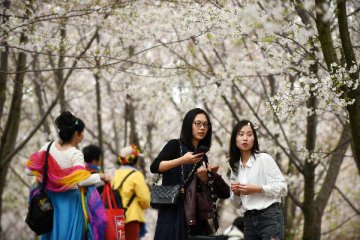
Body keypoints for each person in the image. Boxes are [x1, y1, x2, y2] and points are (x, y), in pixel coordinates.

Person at [26, 111, 111, 240]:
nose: (83, 136)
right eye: (82, 133)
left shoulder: (47, 147)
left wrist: (50, 177)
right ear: (77, 134)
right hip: (70, 203)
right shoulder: (75, 154)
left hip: (49, 202)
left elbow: (30, 170)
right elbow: (81, 181)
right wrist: (101, 176)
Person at [150, 108, 230, 240]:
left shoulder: (202, 157)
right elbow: (155, 167)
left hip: (192, 213)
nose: (202, 128)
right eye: (197, 124)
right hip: (172, 211)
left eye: (205, 124)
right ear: (188, 125)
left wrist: (204, 178)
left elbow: (199, 189)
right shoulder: (175, 145)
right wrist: (183, 160)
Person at [229, 120, 287, 240]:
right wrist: (236, 193)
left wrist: (259, 189)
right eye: (241, 134)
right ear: (235, 138)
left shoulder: (264, 159)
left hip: (270, 217)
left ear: (254, 139)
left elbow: (283, 187)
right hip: (248, 220)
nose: (245, 138)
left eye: (249, 135)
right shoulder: (235, 166)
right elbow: (236, 204)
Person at [111, 144, 150, 240]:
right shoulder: (136, 175)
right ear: (134, 159)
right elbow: (145, 200)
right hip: (131, 218)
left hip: (116, 218)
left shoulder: (115, 174)